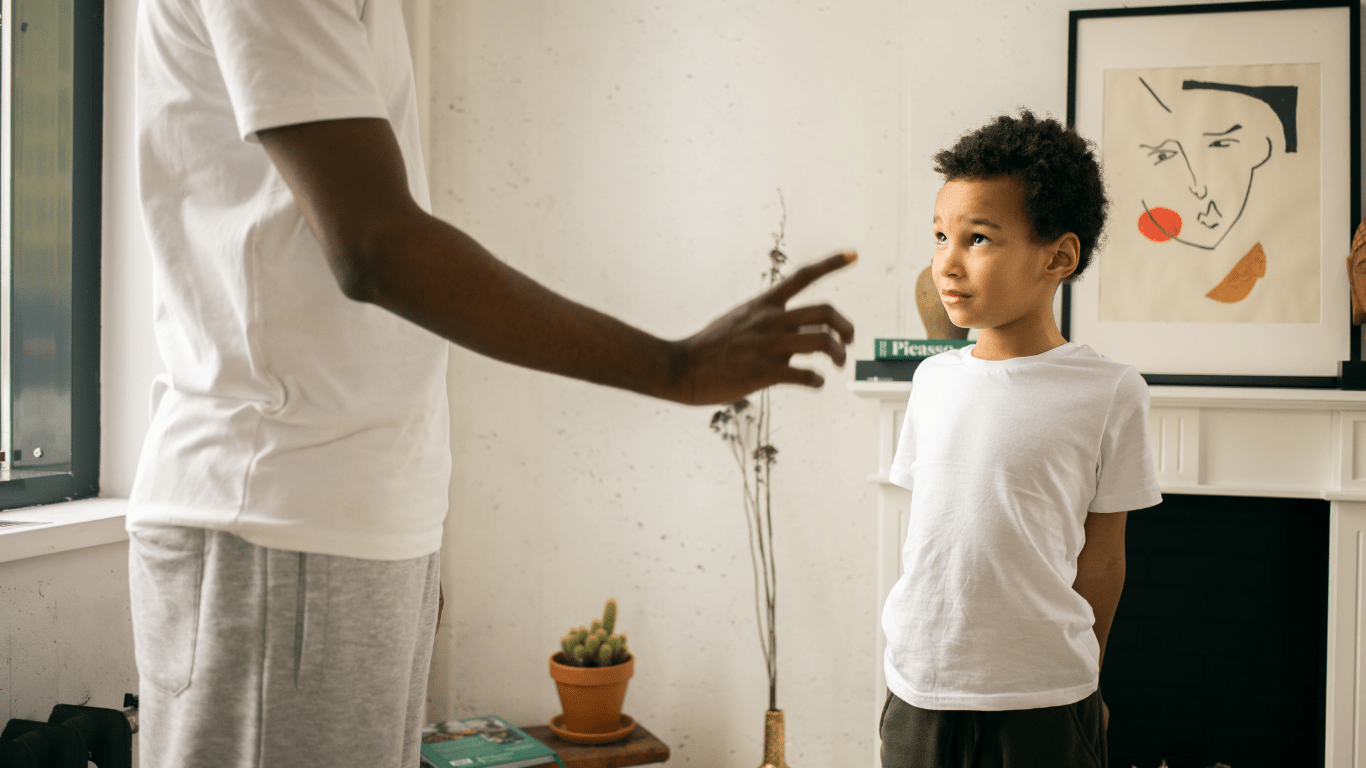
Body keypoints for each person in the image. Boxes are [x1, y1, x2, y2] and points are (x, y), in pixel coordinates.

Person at [127, 2, 855, 767]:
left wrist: (407, 526)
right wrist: (674, 366)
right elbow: (373, 245)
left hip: (344, 521)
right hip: (274, 513)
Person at [877, 110, 1162, 768]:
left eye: (977, 238)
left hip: (1043, 699)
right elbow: (934, 538)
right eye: (940, 235)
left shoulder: (1112, 392)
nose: (946, 263)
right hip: (917, 691)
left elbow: (1104, 560)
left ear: (1057, 256)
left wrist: (1085, 677)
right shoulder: (931, 381)